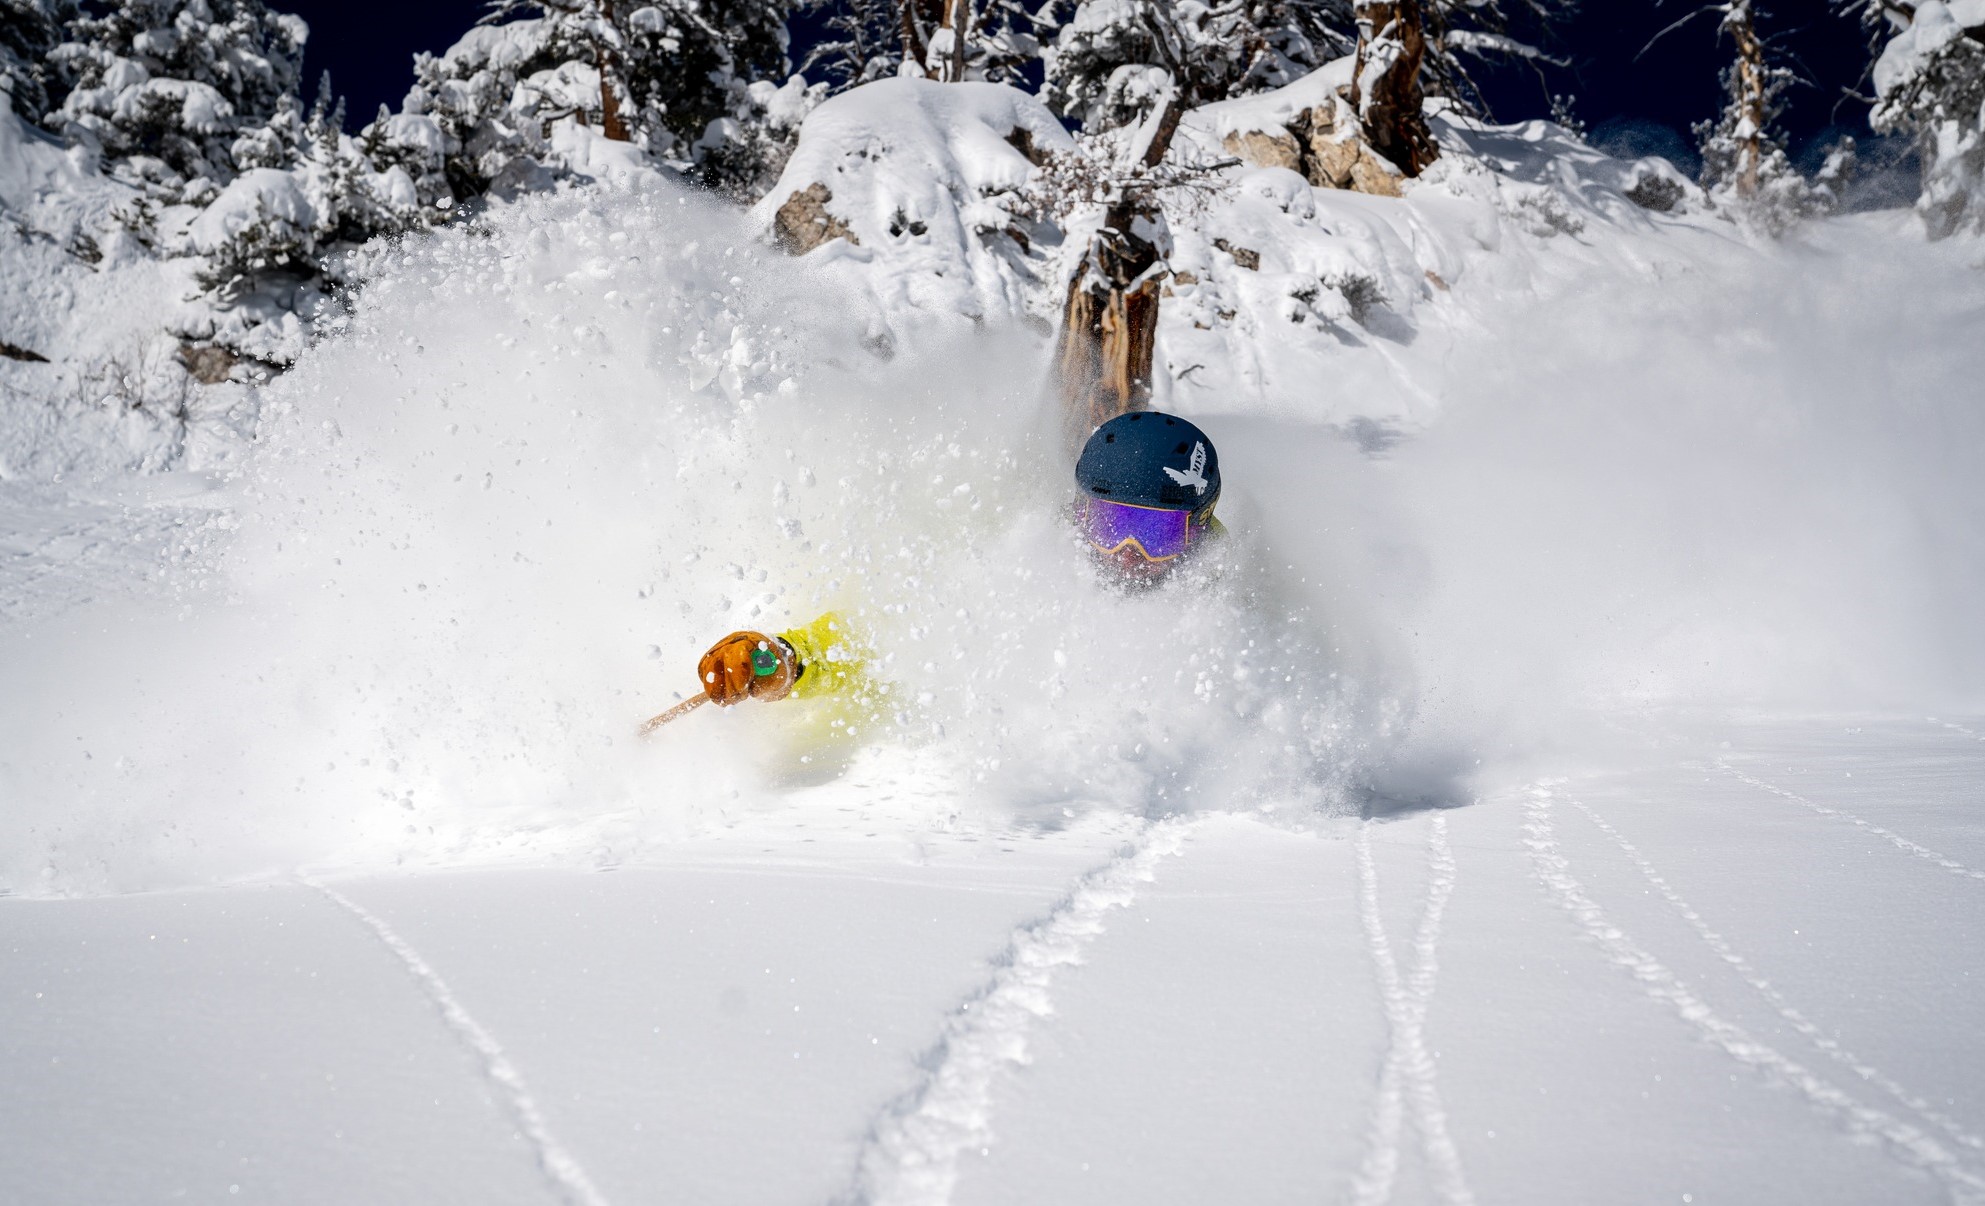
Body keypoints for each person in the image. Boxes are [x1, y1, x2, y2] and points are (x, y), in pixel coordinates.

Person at [693, 410, 1223, 709]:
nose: (1127, 553)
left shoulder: (1227, 599)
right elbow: (894, 633)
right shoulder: (1029, 559)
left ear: (1200, 525)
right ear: (1080, 512)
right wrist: (793, 657)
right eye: (1112, 525)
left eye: (1156, 531)